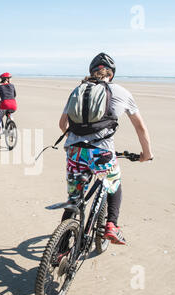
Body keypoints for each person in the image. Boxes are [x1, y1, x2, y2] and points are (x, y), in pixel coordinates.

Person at [59, 53, 153, 245]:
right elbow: (140, 127)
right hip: (101, 152)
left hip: (74, 152)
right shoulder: (122, 92)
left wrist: (78, 140)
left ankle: (60, 248)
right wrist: (147, 154)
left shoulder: (78, 90)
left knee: (74, 198)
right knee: (114, 182)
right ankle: (111, 225)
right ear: (111, 73)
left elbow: (62, 125)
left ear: (92, 72)